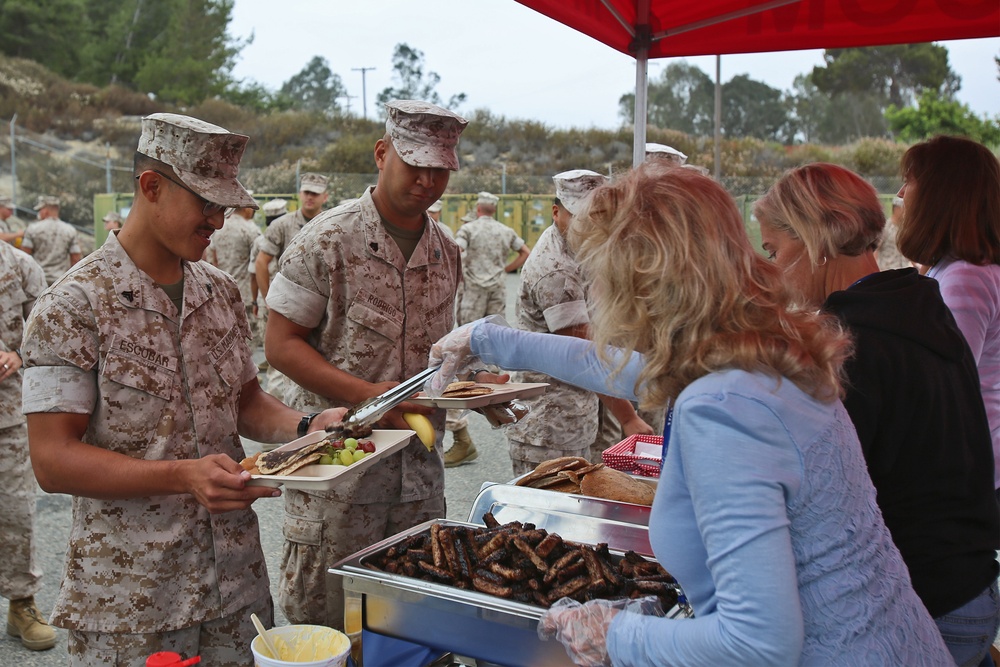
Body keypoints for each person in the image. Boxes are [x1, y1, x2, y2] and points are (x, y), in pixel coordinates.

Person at [427, 162, 952, 665]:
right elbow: (614, 366)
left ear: (643, 280)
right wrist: (487, 339)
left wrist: (616, 635)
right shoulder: (751, 349)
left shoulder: (724, 407)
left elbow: (758, 645)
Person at [20, 113, 347, 665]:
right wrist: (181, 476)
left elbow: (244, 401)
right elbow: (52, 461)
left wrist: (305, 427)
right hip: (132, 603)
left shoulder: (217, 291)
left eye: (225, 206)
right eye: (207, 204)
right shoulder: (73, 307)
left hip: (235, 589)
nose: (219, 221)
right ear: (152, 187)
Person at [755, 162, 1000, 666]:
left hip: (922, 602)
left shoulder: (849, 341)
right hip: (970, 587)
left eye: (774, 251)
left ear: (815, 240)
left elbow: (825, 496)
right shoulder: (916, 301)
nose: (772, 272)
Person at [263, 100, 479, 636]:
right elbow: (280, 344)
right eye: (415, 165)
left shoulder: (447, 250)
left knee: (411, 617)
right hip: (340, 472)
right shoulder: (324, 240)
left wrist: (478, 390)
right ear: (382, 154)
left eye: (441, 170)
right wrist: (371, 395)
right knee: (329, 621)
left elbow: (440, 351)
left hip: (418, 474)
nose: (428, 181)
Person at [504, 169, 652, 474]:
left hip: (580, 409)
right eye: (579, 216)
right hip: (551, 425)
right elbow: (584, 356)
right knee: (550, 512)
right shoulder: (555, 270)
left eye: (597, 216)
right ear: (557, 212)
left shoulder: (583, 249)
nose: (589, 225)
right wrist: (628, 417)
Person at [896, 135, 1000, 505]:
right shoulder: (968, 269)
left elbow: (947, 386)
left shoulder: (965, 277)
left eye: (910, 182)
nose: (901, 193)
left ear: (941, 195)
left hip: (981, 472)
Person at [0, 241, 55, 652]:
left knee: (15, 510)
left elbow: (50, 331)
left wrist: (18, 354)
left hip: (7, 415)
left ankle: (22, 605)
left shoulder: (20, 266)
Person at [454, 191, 530, 326]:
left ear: (478, 208)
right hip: (497, 290)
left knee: (469, 333)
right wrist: (505, 269)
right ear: (494, 210)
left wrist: (459, 272)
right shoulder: (506, 231)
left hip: (473, 290)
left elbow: (456, 252)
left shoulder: (468, 229)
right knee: (495, 332)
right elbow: (525, 253)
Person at [254, 172, 329, 303]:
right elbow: (261, 262)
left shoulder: (330, 225)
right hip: (286, 300)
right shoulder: (281, 224)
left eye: (315, 193)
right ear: (300, 194)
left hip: (319, 301)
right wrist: (268, 300)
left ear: (325, 197)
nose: (310, 197)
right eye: (306, 192)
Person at [208, 204, 263, 350]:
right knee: (248, 340)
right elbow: (259, 263)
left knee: (227, 339)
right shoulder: (251, 230)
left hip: (221, 291)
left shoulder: (218, 229)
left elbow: (213, 259)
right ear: (247, 209)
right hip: (245, 292)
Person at [19, 196, 81, 285]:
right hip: (60, 281)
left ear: (45, 211)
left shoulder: (33, 229)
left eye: (40, 210)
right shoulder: (70, 230)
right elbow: (75, 258)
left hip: (38, 280)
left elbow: (24, 256)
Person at [875, 196, 910, 270]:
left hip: (903, 270)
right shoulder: (885, 227)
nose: (906, 212)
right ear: (896, 209)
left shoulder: (904, 228)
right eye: (904, 208)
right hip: (887, 270)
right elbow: (876, 249)